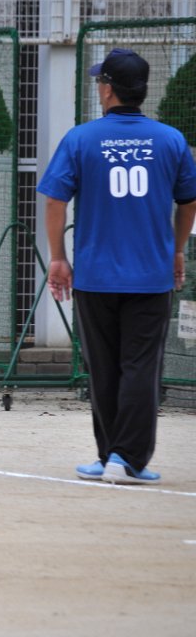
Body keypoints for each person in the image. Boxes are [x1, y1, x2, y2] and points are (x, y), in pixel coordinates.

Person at [38, 48, 196, 485]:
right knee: (140, 366)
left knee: (104, 368)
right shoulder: (170, 140)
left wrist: (58, 257)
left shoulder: (81, 139)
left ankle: (114, 455)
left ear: (108, 89)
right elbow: (188, 202)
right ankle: (124, 459)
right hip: (150, 276)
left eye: (99, 82)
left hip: (95, 275)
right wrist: (177, 251)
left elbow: (55, 200)